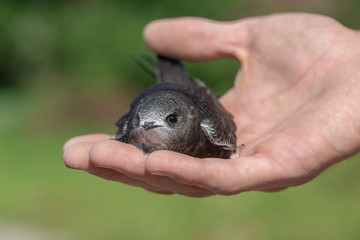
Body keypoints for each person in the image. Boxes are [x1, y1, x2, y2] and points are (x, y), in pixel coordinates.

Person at [62, 13, 360, 197]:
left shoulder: (208, 126)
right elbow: (142, 121)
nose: (146, 127)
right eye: (141, 121)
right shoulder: (135, 125)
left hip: (188, 92)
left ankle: (167, 67)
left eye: (170, 121)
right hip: (167, 91)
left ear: (186, 120)